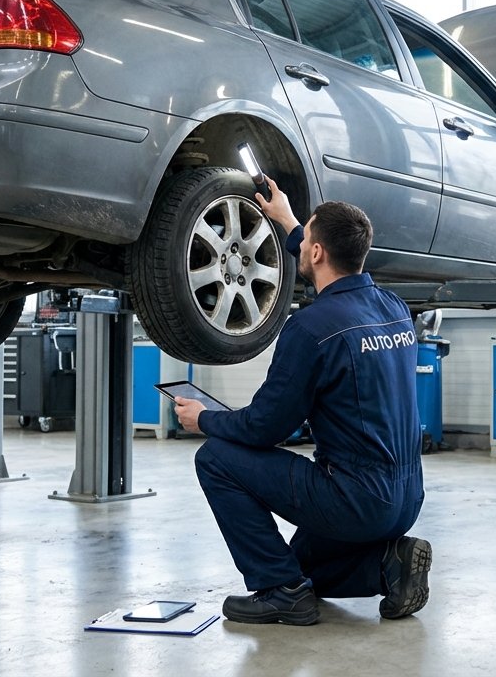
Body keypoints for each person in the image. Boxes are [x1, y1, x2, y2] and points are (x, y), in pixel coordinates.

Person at [172, 176, 429, 626]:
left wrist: (206, 418)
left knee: (215, 458)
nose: (303, 242)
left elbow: (266, 427)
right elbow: (328, 267)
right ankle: (390, 564)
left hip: (356, 500)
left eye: (306, 237)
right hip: (406, 498)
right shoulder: (393, 308)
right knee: (304, 566)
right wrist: (289, 219)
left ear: (315, 252)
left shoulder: (311, 329)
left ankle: (281, 593)